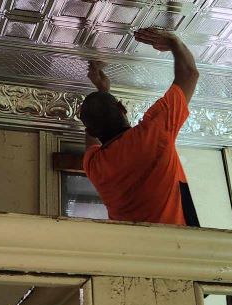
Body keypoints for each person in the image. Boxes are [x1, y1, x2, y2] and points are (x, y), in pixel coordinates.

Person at [79, 27, 201, 227]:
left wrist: (102, 92)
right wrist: (174, 42)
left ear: (91, 130)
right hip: (148, 243)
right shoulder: (153, 132)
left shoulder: (95, 164)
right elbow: (189, 74)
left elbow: (92, 141)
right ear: (122, 108)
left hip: (172, 240)